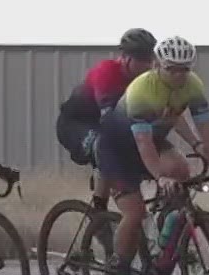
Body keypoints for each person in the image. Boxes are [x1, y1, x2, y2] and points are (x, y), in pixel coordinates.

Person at [94, 36, 209, 275]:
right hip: (118, 149)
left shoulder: (193, 86)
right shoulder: (142, 91)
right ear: (159, 65)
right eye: (172, 68)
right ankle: (118, 272)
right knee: (135, 213)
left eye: (184, 69)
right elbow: (143, 144)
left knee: (181, 170)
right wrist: (160, 177)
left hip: (153, 140)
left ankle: (164, 237)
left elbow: (206, 128)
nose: (178, 75)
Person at [55, 28, 156, 201]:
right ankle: (100, 211)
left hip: (101, 124)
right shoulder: (107, 72)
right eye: (142, 61)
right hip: (75, 124)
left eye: (150, 60)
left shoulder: (145, 79)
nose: (148, 66)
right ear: (126, 58)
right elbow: (110, 120)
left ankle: (102, 210)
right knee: (106, 146)